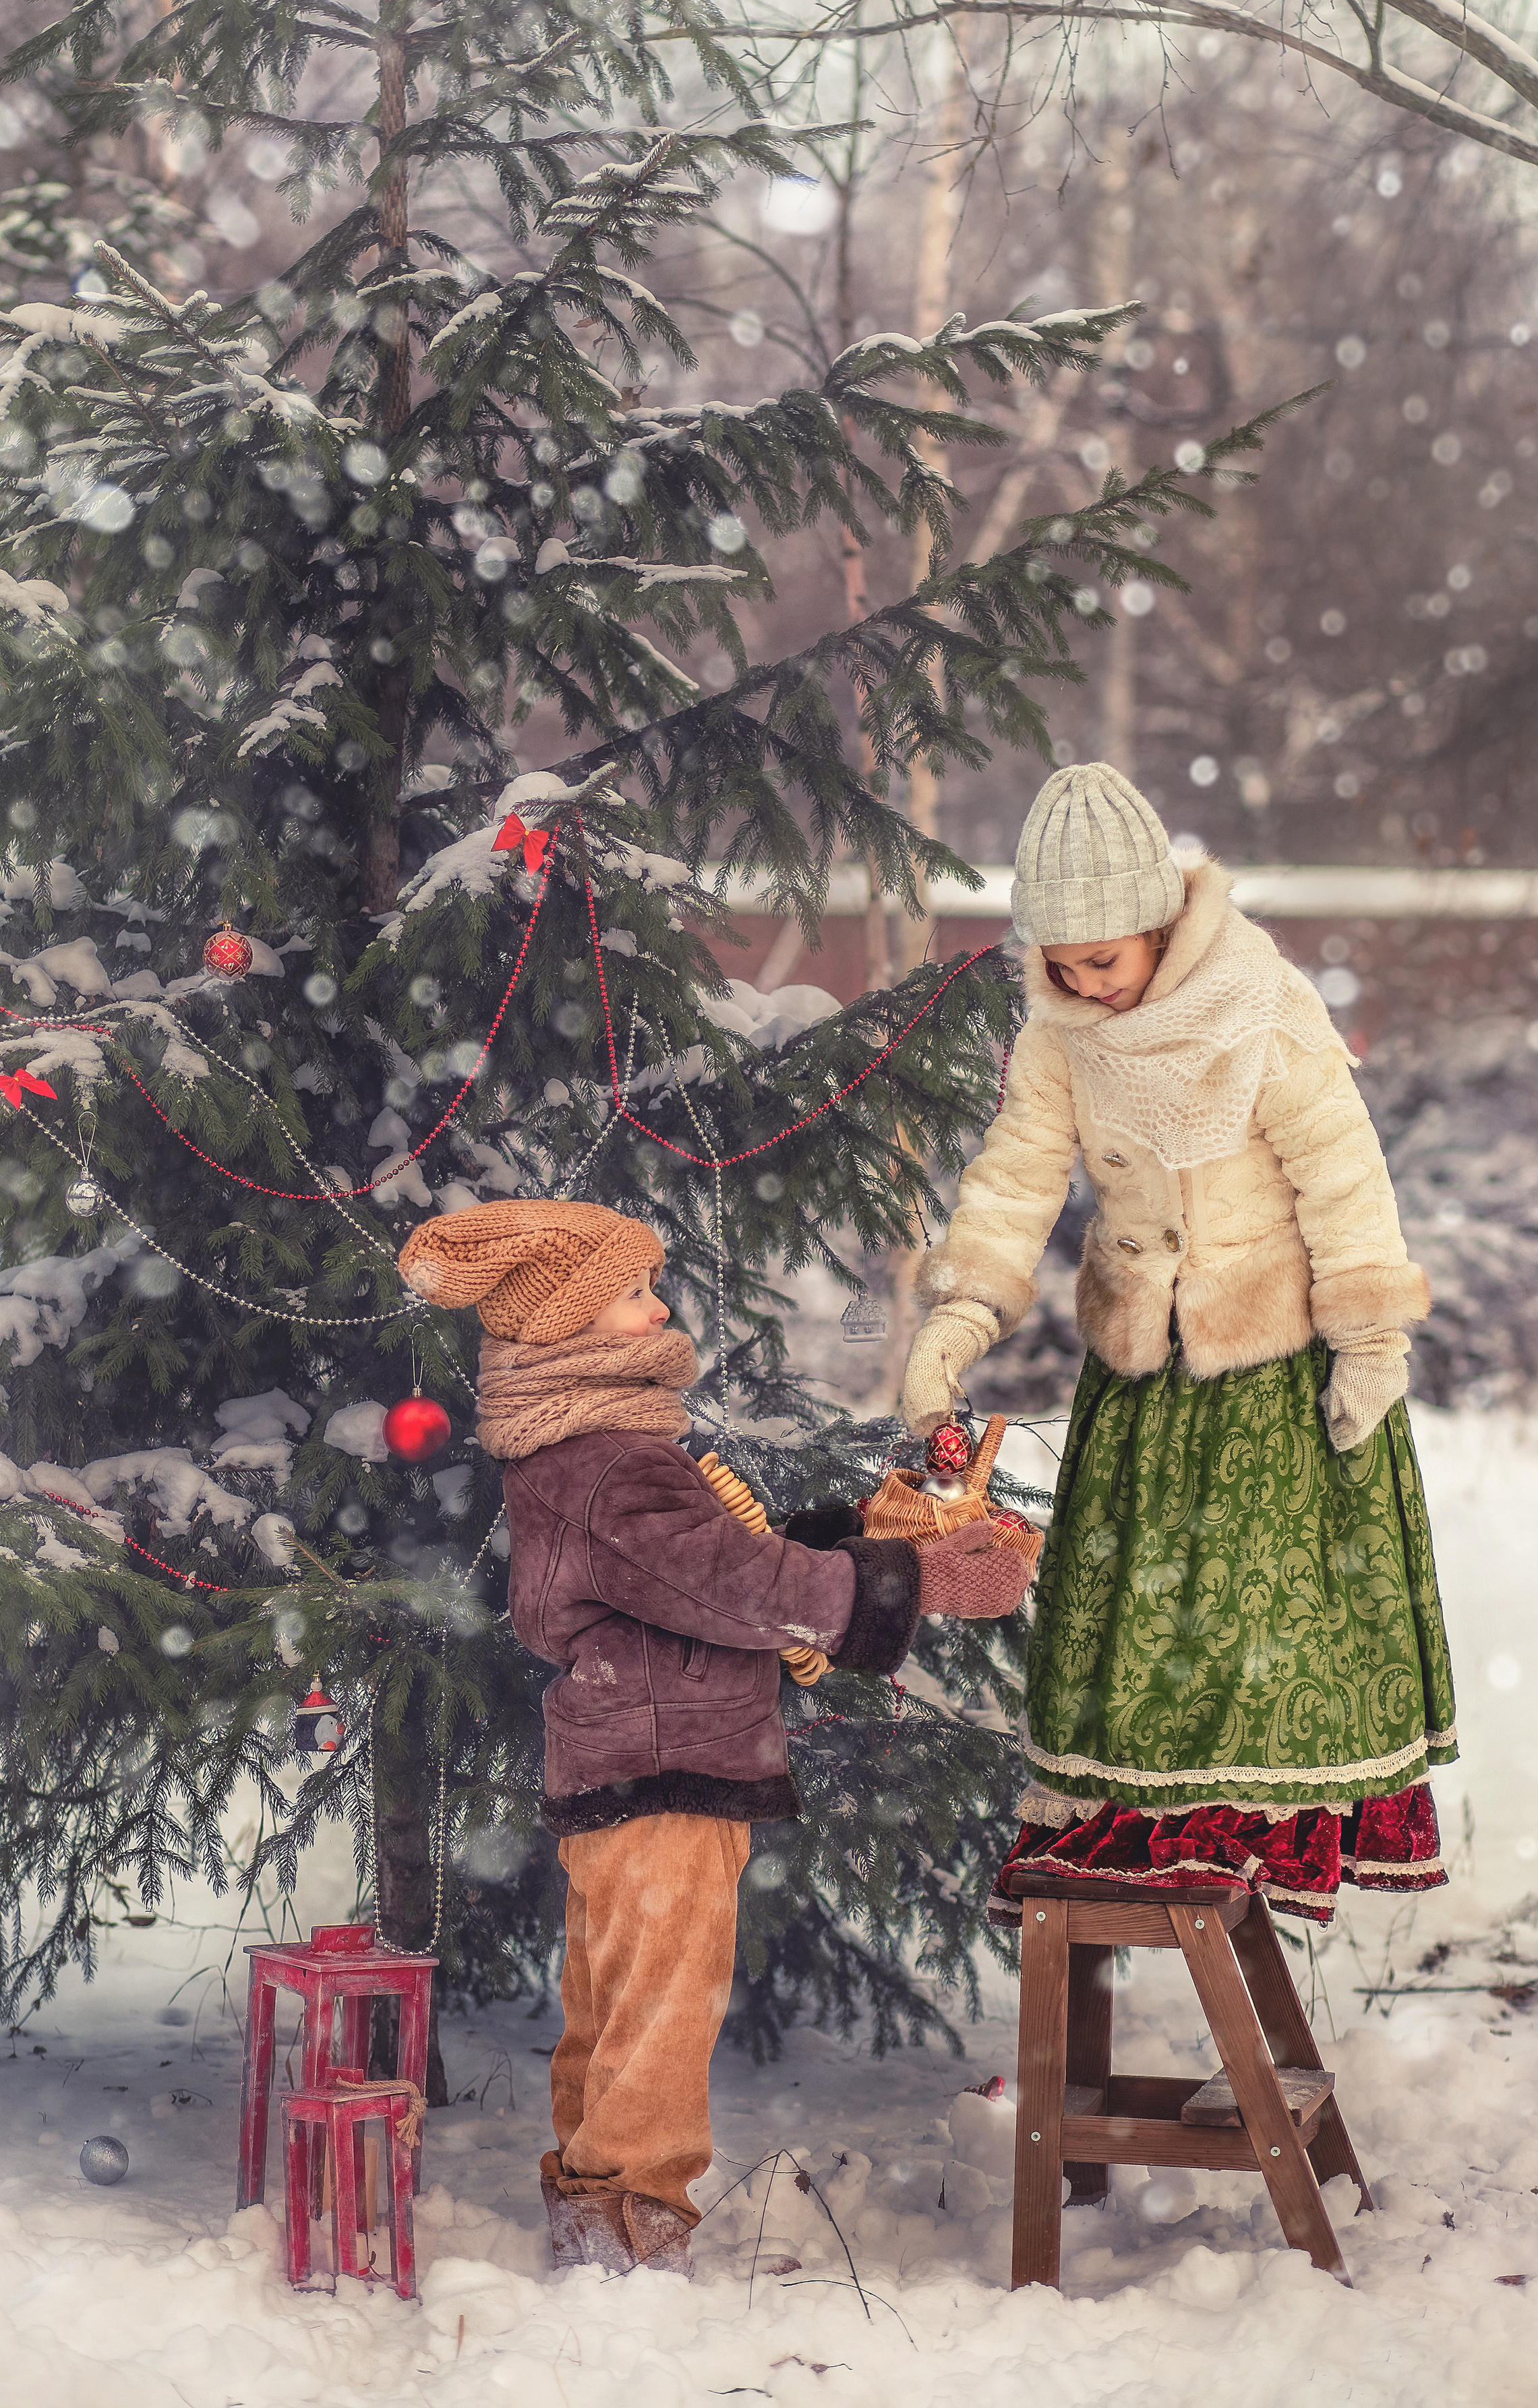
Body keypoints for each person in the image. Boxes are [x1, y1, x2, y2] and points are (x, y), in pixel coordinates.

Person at [398, 1199, 1029, 2277]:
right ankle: (634, 2244)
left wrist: (837, 1543)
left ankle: (599, 2221)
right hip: (664, 1770)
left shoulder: (597, 1451)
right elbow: (726, 1584)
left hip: (634, 1757)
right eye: (633, 1295)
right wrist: (912, 1578)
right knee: (658, 2015)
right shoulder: (612, 1462)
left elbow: (705, 1572)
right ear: (571, 1333)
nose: (660, 1311)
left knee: (614, 2006)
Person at [898, 763, 1456, 1924]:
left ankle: (1241, 1833)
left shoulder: (1262, 1006)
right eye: (1059, 966)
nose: (1083, 987)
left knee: (1255, 1617)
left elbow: (1344, 1172)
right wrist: (962, 1312)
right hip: (1142, 1373)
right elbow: (1015, 1175)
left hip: (1272, 1371)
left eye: (1103, 961)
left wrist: (1368, 1337)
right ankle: (1150, 1828)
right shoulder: (1062, 1034)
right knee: (1139, 1615)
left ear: (1161, 924)